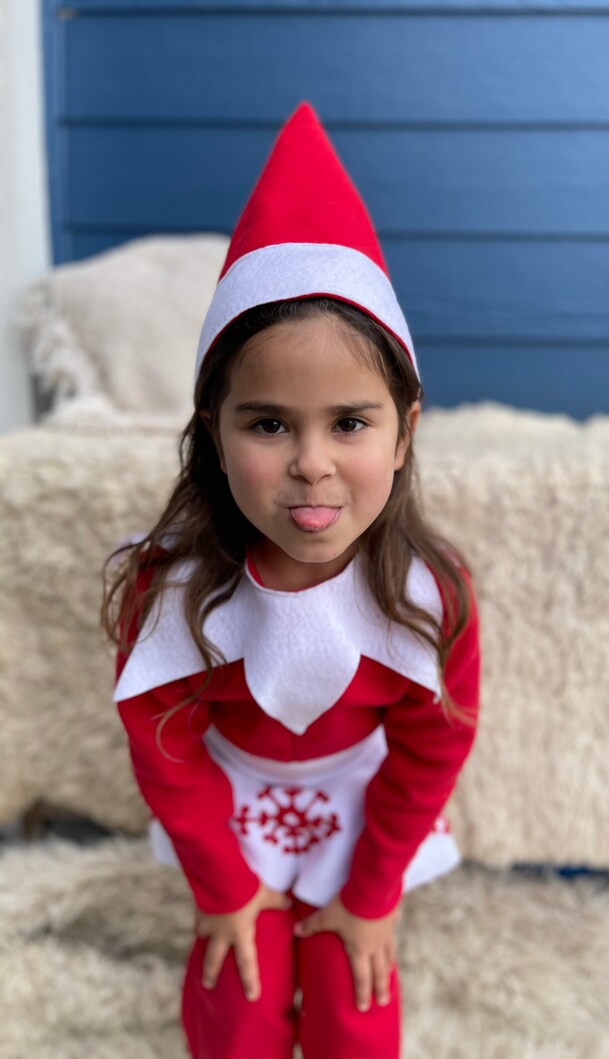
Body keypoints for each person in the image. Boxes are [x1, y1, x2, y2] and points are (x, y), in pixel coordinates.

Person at [103, 101, 480, 1059]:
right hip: (229, 817)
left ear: (405, 431)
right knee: (237, 1014)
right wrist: (224, 883)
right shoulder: (178, 592)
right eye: (268, 424)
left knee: (357, 1020)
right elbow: (166, 746)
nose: (311, 463)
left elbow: (431, 749)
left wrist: (370, 893)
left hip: (364, 820)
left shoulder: (429, 596)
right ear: (213, 432)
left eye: (349, 423)